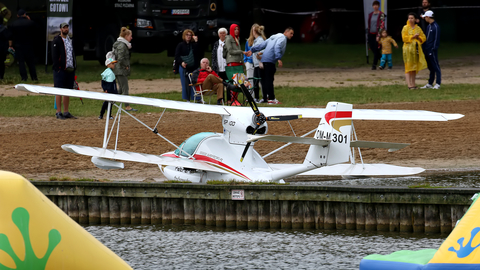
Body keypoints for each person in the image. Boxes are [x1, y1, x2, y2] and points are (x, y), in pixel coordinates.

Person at [246, 27, 294, 105]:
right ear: (286, 32)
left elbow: (262, 45)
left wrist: (252, 50)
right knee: (269, 80)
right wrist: (278, 58)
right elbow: (277, 46)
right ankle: (271, 99)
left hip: (264, 60)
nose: (292, 35)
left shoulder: (273, 37)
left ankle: (267, 97)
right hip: (270, 61)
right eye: (291, 33)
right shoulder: (282, 38)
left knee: (265, 80)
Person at [52, 22, 77, 120]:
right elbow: (54, 56)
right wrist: (57, 68)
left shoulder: (70, 40)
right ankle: (58, 111)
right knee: (58, 90)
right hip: (60, 70)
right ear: (60, 29)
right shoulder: (57, 41)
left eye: (67, 28)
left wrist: (74, 66)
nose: (66, 29)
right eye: (64, 28)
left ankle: (66, 111)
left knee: (67, 90)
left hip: (69, 69)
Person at [8, 9, 37, 81]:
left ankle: (24, 78)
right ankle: (34, 77)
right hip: (29, 45)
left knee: (21, 62)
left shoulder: (13, 24)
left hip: (18, 46)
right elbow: (36, 32)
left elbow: (10, 36)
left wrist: (10, 46)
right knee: (31, 63)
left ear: (17, 15)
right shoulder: (30, 23)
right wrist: (29, 20)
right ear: (25, 15)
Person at [113, 27, 136, 111]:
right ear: (126, 36)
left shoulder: (118, 44)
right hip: (121, 70)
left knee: (121, 88)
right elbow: (121, 58)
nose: (131, 38)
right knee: (125, 88)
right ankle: (127, 106)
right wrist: (125, 66)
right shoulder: (122, 46)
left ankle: (111, 102)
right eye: (130, 36)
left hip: (117, 69)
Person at [402, 12, 427, 90]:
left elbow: (423, 37)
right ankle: (409, 85)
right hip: (408, 50)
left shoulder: (418, 28)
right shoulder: (405, 28)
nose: (410, 20)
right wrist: (412, 37)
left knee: (414, 68)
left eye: (412, 18)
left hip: (416, 50)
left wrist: (418, 38)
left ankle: (413, 84)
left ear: (415, 19)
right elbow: (404, 38)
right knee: (408, 67)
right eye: (409, 18)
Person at [174, 29, 200, 102]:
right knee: (185, 83)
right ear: (184, 36)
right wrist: (181, 62)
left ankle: (198, 98)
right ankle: (187, 99)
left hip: (193, 66)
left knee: (196, 82)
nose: (188, 36)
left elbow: (198, 53)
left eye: (190, 35)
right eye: (187, 35)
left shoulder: (193, 45)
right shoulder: (180, 45)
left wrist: (196, 41)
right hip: (184, 66)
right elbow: (177, 56)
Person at [224, 24, 246, 105]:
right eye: (235, 29)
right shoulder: (228, 38)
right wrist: (241, 52)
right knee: (234, 81)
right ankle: (233, 100)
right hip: (232, 62)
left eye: (237, 29)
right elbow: (230, 51)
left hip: (239, 62)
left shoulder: (237, 38)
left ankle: (236, 99)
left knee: (240, 81)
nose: (236, 31)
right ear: (231, 30)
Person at [420, 11, 441, 89]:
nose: (425, 18)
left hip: (432, 50)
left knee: (436, 66)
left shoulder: (436, 26)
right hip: (427, 49)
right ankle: (430, 83)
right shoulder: (429, 26)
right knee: (431, 67)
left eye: (425, 17)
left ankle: (438, 83)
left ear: (428, 17)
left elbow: (436, 39)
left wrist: (433, 49)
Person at [367, 1, 385, 70]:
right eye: (374, 5)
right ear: (372, 6)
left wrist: (378, 35)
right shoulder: (370, 14)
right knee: (372, 48)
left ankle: (374, 64)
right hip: (371, 33)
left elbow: (382, 25)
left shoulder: (381, 14)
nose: (375, 6)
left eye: (376, 5)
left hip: (378, 34)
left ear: (378, 6)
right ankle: (382, 59)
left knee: (376, 48)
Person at [251, 24, 266, 102]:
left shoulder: (260, 40)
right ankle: (256, 97)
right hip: (256, 64)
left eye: (253, 31)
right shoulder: (255, 40)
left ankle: (264, 97)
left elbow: (264, 49)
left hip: (260, 64)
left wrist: (259, 54)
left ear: (255, 31)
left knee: (261, 81)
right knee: (255, 81)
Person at [244, 24, 256, 96]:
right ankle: (250, 96)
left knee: (258, 80)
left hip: (257, 62)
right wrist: (245, 61)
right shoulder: (248, 41)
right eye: (253, 30)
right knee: (249, 79)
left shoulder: (261, 40)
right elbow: (246, 51)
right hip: (249, 61)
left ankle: (260, 96)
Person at [0, 15, 10, 79]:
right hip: (2, 49)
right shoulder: (4, 30)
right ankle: (1, 76)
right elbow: (6, 40)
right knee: (1, 63)